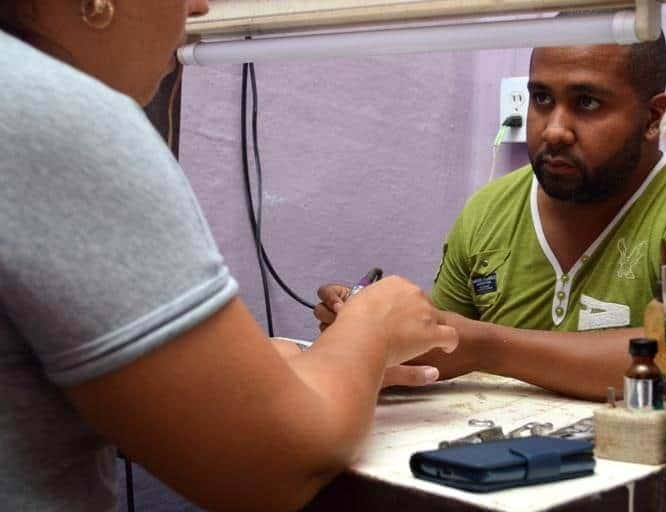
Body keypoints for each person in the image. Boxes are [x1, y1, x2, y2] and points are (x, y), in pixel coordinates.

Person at [0, 1, 459, 510]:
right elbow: (278, 468)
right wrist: (372, 327)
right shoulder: (57, 112)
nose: (197, 7)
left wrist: (313, 364)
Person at [316, 36, 666, 416]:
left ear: (653, 118)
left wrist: (490, 347)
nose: (554, 130)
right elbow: (443, 348)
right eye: (541, 99)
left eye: (587, 102)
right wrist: (367, 328)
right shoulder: (490, 211)